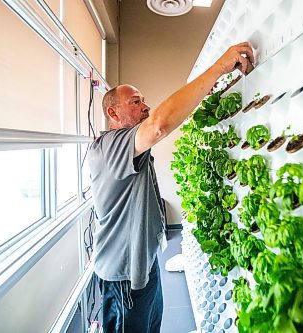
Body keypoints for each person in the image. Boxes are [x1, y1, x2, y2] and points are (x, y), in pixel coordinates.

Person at [87, 42, 254, 333]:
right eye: (136, 102)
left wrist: (202, 93)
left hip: (144, 264)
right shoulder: (109, 146)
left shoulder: (127, 146)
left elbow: (165, 119)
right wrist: (218, 67)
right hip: (123, 276)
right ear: (113, 114)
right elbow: (159, 125)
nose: (146, 106)